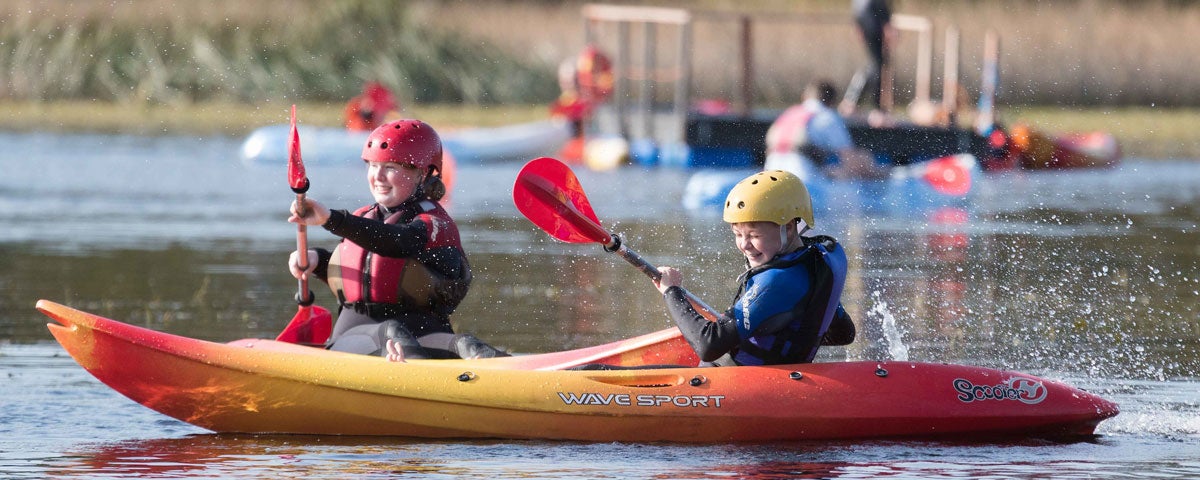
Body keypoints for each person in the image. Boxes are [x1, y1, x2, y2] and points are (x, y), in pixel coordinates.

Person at [288, 119, 506, 360]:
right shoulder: (364, 218)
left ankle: (525, 378)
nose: (377, 176)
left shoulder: (434, 223)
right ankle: (424, 382)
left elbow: (399, 243)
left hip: (423, 332)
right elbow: (366, 269)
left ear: (422, 174)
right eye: (372, 165)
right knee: (392, 332)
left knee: (466, 344)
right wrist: (316, 259)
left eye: (391, 167)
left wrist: (332, 219)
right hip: (354, 335)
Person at [653, 170, 856, 366]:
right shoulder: (816, 262)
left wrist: (671, 291)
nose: (744, 244)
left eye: (754, 236)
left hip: (732, 383)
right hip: (779, 380)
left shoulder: (776, 281)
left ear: (788, 228)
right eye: (737, 234)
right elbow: (843, 333)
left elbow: (708, 346)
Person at [765, 80, 888, 179]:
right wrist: (879, 174)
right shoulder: (828, 117)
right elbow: (851, 161)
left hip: (769, 174)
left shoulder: (789, 113)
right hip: (802, 177)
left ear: (804, 97)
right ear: (832, 102)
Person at [849, 0, 893, 112]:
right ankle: (876, 106)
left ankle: (853, 100)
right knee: (877, 66)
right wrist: (887, 25)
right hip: (873, 25)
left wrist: (858, 25)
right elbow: (881, 6)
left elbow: (857, 8)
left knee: (874, 65)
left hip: (866, 22)